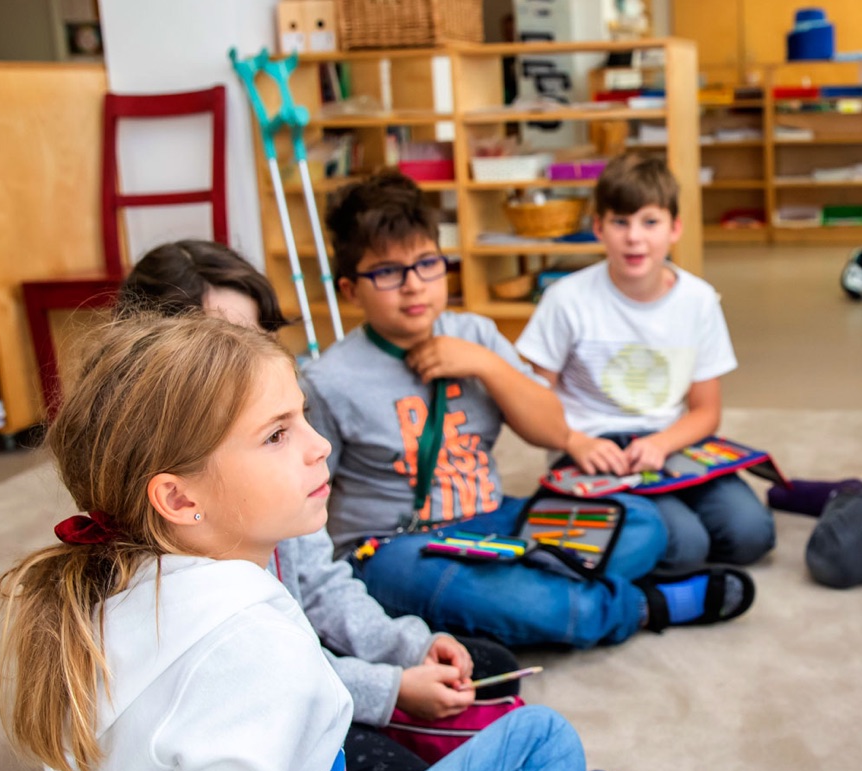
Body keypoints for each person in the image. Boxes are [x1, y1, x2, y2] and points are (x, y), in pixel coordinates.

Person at [0, 310, 735, 771]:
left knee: (539, 737)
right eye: (277, 434)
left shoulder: (114, 593)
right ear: (179, 499)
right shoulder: (246, 651)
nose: (317, 446)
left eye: (303, 419)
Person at [116, 239, 523, 771]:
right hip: (255, 700)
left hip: (296, 652)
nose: (242, 361)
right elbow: (268, 673)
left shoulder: (274, 470)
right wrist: (390, 689)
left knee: (489, 670)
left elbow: (322, 585)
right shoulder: (182, 546)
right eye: (214, 346)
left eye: (253, 339)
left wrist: (407, 646)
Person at [300, 170, 755, 651]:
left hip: (493, 519)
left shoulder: (476, 334)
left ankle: (508, 593)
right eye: (388, 272)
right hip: (397, 546)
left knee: (642, 524)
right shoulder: (329, 381)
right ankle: (636, 606)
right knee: (534, 599)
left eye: (427, 263)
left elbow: (553, 428)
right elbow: (300, 505)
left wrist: (488, 365)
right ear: (351, 290)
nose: (414, 286)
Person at [516, 152, 776, 571]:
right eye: (620, 222)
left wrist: (660, 444)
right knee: (685, 546)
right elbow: (530, 400)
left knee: (751, 534)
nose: (634, 238)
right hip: (590, 448)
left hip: (668, 443)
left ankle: (646, 520)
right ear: (599, 227)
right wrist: (574, 441)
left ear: (675, 229)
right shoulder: (565, 299)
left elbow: (706, 411)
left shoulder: (699, 301)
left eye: (649, 222)